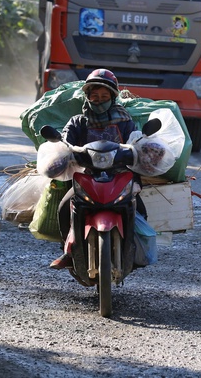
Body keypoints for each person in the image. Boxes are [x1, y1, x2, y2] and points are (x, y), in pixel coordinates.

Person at [49, 68, 146, 269]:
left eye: (104, 96)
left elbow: (135, 141)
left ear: (113, 97)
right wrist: (61, 152)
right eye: (95, 96)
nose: (99, 100)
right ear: (88, 97)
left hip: (120, 175)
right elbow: (65, 143)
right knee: (64, 208)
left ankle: (136, 248)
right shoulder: (78, 121)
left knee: (140, 209)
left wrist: (143, 149)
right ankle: (67, 251)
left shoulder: (125, 120)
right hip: (87, 176)